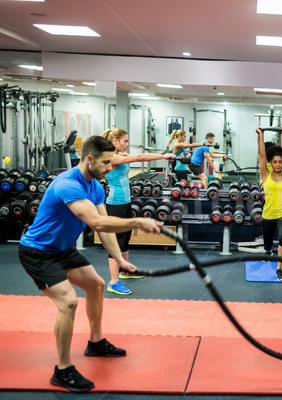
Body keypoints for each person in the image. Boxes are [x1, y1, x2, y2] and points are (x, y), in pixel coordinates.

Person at [18, 135, 163, 393]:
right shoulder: (67, 184)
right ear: (89, 159)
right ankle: (62, 370)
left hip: (63, 249)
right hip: (37, 252)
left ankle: (95, 344)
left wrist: (119, 259)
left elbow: (105, 229)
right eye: (106, 162)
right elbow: (95, 223)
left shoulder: (95, 186)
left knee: (96, 285)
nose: (111, 167)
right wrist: (137, 222)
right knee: (69, 301)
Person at [101, 128, 174, 295]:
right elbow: (140, 158)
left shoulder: (120, 156)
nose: (127, 144)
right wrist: (164, 156)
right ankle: (113, 281)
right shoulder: (111, 157)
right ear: (115, 142)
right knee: (117, 242)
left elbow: (140, 155)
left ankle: (126, 271)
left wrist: (161, 156)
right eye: (125, 141)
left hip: (125, 202)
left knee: (126, 237)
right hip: (115, 204)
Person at [256, 126, 282, 281]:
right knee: (268, 243)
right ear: (271, 163)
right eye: (275, 162)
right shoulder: (265, 175)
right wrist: (261, 135)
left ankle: (279, 268)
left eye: (280, 162)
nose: (278, 164)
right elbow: (261, 155)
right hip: (267, 214)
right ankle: (268, 252)